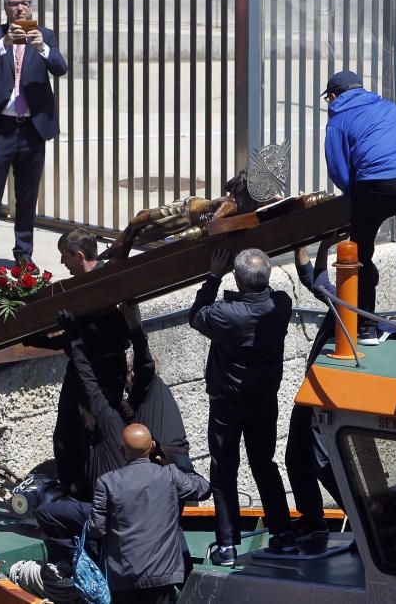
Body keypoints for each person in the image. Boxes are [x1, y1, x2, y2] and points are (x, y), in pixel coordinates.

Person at [188, 248, 296, 566]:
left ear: (238, 278)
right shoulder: (283, 306)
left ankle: (227, 544)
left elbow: (196, 316)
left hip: (227, 404)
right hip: (264, 401)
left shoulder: (225, 314)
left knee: (223, 471)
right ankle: (284, 534)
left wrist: (212, 276)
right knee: (264, 465)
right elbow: (267, 296)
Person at [323, 70, 396, 345]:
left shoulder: (338, 118)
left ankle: (365, 326)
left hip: (376, 182)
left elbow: (338, 170)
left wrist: (354, 195)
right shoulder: (390, 107)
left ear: (334, 96)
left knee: (360, 252)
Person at [25, 229, 136, 496]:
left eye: (65, 256)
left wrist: (70, 335)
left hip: (104, 372)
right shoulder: (79, 289)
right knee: (66, 433)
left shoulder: (107, 283)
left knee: (94, 433)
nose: (62, 263)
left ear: (79, 255)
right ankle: (71, 487)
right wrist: (37, 339)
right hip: (80, 370)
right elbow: (71, 338)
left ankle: (93, 490)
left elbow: (115, 334)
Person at [0, 0, 68, 276]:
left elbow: (60, 68)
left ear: (32, 7)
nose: (20, 8)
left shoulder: (45, 35)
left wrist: (43, 49)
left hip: (32, 129)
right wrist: (5, 42)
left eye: (25, 3)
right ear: (6, 8)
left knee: (27, 195)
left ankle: (23, 254)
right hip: (0, 127)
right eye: (14, 4)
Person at [35, 309, 134, 576]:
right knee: (71, 444)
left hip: (106, 514)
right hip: (113, 510)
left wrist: (75, 341)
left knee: (48, 512)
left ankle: (79, 561)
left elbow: (90, 384)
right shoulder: (110, 442)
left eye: (83, 413)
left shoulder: (106, 426)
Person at [88, 424, 211, 604]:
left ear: (122, 451)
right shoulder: (170, 475)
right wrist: (174, 464)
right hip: (163, 575)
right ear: (152, 446)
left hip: (124, 578)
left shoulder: (106, 483)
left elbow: (96, 530)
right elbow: (204, 489)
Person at [287, 237, 345, 541]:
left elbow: (312, 279)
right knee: (296, 457)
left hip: (324, 398)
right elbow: (314, 279)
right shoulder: (342, 303)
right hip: (310, 392)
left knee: (322, 461)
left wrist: (305, 240)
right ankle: (312, 519)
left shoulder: (349, 310)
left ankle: (361, 517)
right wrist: (320, 245)